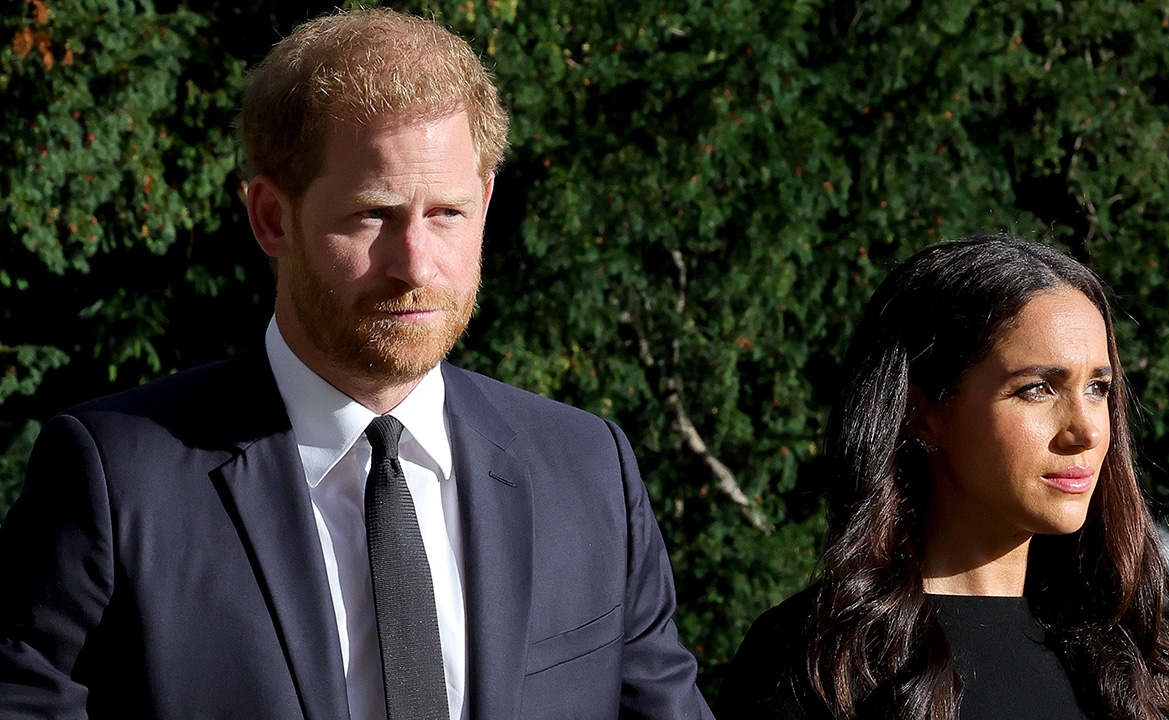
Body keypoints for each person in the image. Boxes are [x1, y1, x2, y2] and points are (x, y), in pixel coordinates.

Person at [0, 9, 712, 720]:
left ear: (486, 204)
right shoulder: (116, 479)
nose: (415, 266)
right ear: (272, 218)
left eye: (447, 214)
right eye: (372, 215)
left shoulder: (588, 471)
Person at [715, 237, 1169, 720]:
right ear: (923, 413)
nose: (1087, 431)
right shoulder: (817, 660)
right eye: (1037, 389)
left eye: (1098, 388)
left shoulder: (1124, 657)